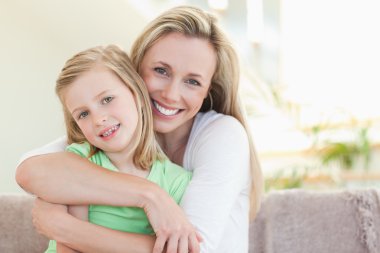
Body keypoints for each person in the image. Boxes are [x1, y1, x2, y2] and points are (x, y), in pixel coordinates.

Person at [16, 5, 263, 253]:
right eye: (161, 70)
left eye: (192, 81)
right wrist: (149, 195)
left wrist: (64, 229)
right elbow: (31, 171)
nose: (171, 94)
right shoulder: (113, 129)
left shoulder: (222, 135)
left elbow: (189, 250)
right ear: (134, 74)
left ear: (209, 89)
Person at [43, 45, 193, 252]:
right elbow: (68, 245)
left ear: (137, 94)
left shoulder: (176, 182)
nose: (98, 119)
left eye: (107, 99)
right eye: (83, 114)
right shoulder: (80, 161)